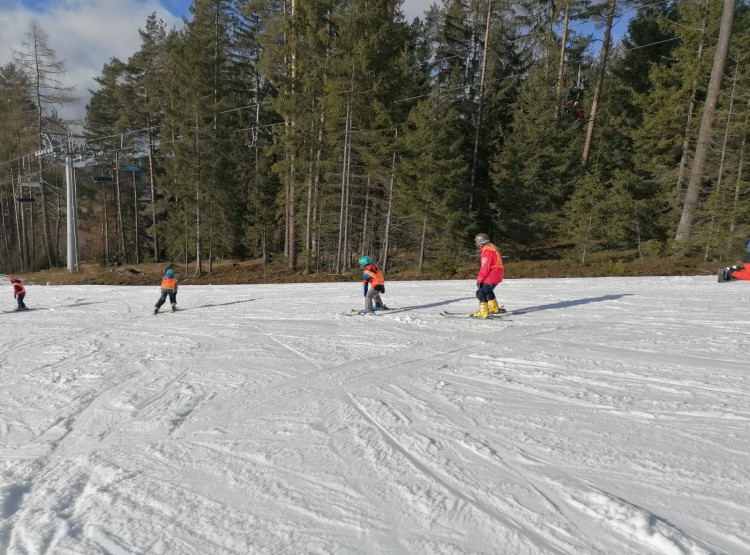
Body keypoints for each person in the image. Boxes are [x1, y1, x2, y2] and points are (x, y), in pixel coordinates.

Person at [472, 233, 505, 319]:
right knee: (488, 291)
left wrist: (479, 280)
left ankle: (483, 312)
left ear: (480, 243)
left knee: (480, 292)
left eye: (477, 243)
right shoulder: (491, 249)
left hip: (492, 274)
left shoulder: (487, 251)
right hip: (497, 273)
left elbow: (485, 268)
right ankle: (494, 308)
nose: (476, 245)